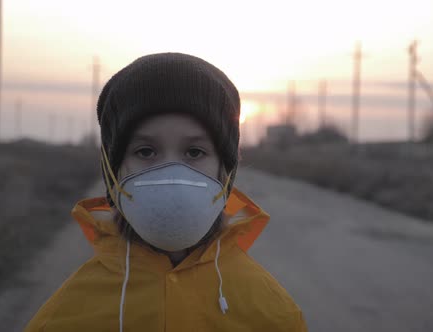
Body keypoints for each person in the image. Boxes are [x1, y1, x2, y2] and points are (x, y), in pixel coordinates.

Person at [25, 53, 307, 332]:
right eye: (146, 151)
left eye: (194, 152)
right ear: (113, 172)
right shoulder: (67, 318)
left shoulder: (274, 317)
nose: (171, 174)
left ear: (226, 172)